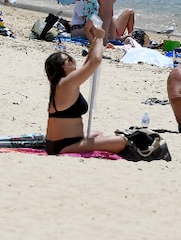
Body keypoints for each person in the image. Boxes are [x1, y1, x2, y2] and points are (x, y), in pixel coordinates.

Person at [44, 26, 128, 155]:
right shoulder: (66, 83)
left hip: (64, 141)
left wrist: (94, 43)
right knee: (121, 141)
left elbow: (87, 64)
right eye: (68, 60)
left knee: (97, 133)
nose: (72, 61)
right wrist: (100, 38)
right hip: (63, 145)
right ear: (60, 68)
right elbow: (96, 61)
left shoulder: (62, 83)